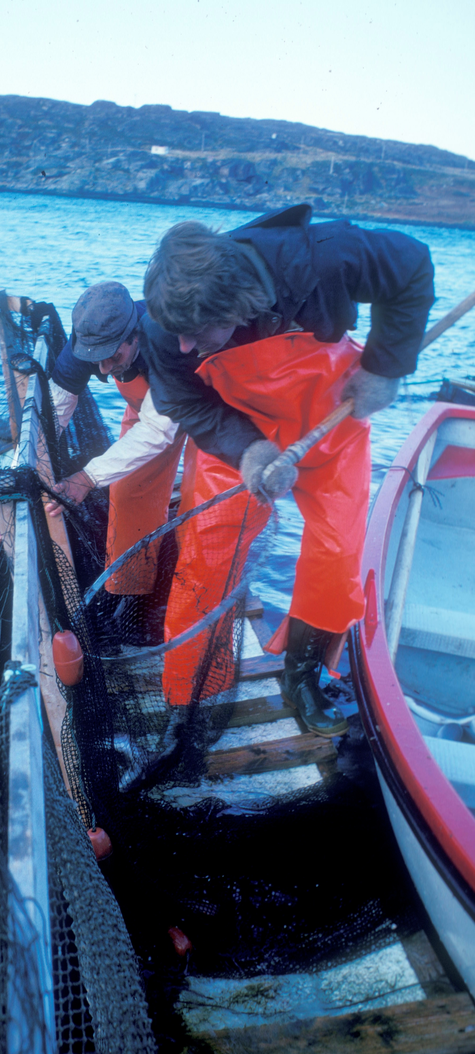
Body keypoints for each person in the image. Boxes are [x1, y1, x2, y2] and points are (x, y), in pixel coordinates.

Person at [50, 204, 435, 737]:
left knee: (337, 553)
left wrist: (385, 365)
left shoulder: (324, 258)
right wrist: (250, 452)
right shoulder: (165, 329)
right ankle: (192, 696)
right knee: (204, 557)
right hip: (233, 430)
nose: (182, 347)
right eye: (176, 336)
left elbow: (413, 266)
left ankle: (302, 677)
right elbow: (188, 403)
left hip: (331, 417)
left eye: (194, 334)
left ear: (233, 303)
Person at [49, 281, 186, 626]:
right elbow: (55, 410)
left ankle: (179, 595)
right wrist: (31, 463)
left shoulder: (165, 342)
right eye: (98, 361)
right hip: (149, 406)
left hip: (205, 403)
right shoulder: (87, 345)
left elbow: (159, 429)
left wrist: (86, 477)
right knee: (126, 491)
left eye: (115, 357)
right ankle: (126, 592)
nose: (106, 369)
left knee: (200, 500)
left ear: (135, 336)